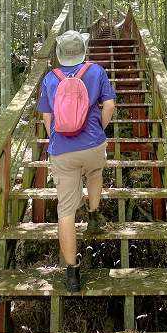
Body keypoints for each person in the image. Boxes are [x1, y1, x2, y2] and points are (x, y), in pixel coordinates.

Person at [37, 30, 116, 292]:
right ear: (82, 50)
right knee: (95, 173)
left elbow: (47, 119)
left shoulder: (50, 78)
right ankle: (94, 216)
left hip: (63, 150)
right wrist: (99, 130)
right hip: (93, 144)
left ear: (60, 54)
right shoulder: (96, 71)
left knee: (66, 211)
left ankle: (72, 274)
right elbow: (110, 105)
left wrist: (58, 140)